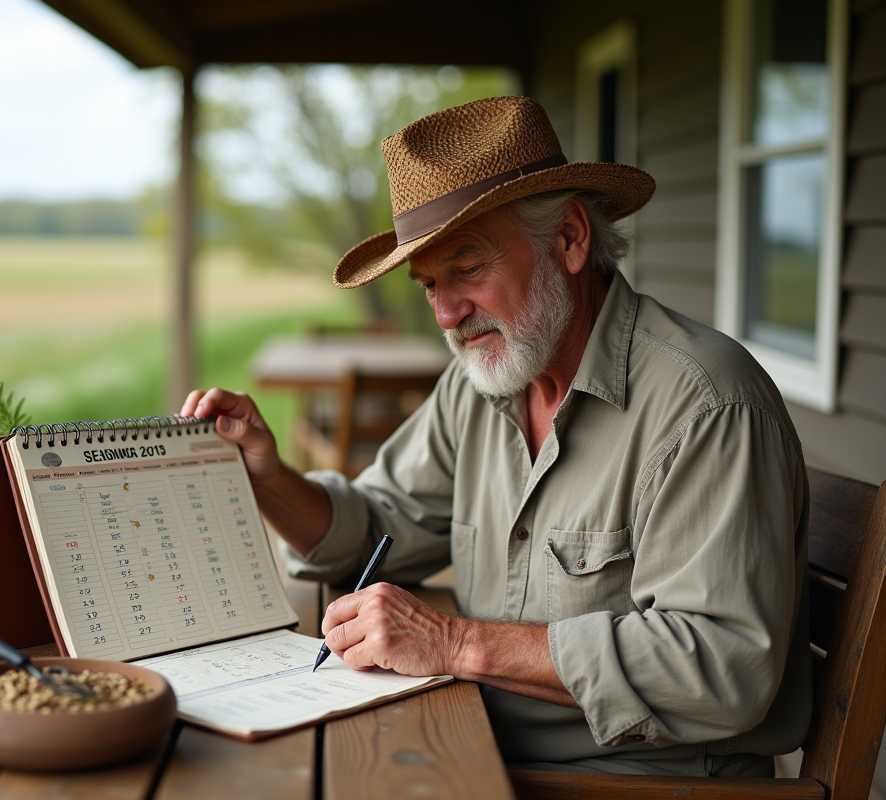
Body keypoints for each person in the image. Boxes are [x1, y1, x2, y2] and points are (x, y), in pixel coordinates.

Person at [181, 96, 810, 777]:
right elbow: (378, 529)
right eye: (428, 284)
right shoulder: (483, 383)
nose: (447, 314)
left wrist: (454, 644)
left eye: (469, 268)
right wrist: (268, 478)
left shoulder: (705, 404)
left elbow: (722, 671)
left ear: (570, 238)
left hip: (627, 785)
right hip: (473, 745)